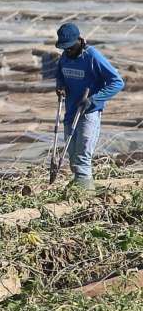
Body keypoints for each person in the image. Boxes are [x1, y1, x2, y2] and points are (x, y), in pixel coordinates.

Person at [54, 22, 124, 189]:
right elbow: (60, 75)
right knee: (72, 155)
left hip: (89, 112)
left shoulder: (92, 56)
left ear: (79, 40)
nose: (68, 51)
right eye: (65, 48)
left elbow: (117, 82)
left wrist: (94, 100)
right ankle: (79, 184)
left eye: (70, 47)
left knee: (82, 156)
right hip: (71, 112)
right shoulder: (65, 56)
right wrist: (60, 86)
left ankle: (85, 192)